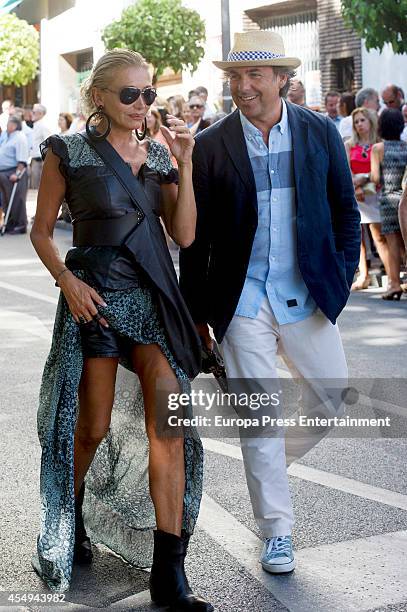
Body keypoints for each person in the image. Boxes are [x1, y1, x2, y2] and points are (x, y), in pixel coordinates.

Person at [30, 49, 213, 611]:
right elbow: (41, 233)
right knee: (93, 425)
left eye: (149, 94)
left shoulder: (159, 156)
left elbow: (181, 236)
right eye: (129, 94)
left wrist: (184, 164)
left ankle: (169, 573)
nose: (142, 105)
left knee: (171, 423)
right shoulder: (69, 152)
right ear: (98, 99)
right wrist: (67, 280)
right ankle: (69, 512)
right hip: (96, 305)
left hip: (153, 303)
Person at [179, 30, 360, 576]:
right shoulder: (212, 144)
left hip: (306, 296)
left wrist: (343, 279)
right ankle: (277, 533)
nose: (242, 86)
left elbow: (346, 213)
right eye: (235, 77)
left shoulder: (319, 131)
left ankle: (266, 462)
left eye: (254, 75)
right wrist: (198, 318)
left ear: (283, 79)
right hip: (241, 305)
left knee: (332, 400)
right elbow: (197, 242)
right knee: (260, 422)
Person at [345, 107, 389, 290]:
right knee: (358, 237)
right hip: (357, 193)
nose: (359, 124)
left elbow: (382, 170)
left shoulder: (379, 143)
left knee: (379, 235)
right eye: (356, 121)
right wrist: (355, 187)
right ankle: (363, 275)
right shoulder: (349, 144)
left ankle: (390, 273)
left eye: (362, 120)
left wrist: (366, 180)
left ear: (371, 121)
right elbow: (346, 169)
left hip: (375, 192)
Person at [370, 108, 407, 299]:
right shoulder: (406, 146)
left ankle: (394, 284)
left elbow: (376, 178)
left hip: (388, 199)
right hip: (405, 199)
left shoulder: (378, 149)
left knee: (392, 242)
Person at [0, 116, 29, 233]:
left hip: (13, 172)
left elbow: (22, 159)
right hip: (3, 172)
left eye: (8, 124)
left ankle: (20, 224)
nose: (6, 126)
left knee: (17, 199)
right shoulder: (7, 136)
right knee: (6, 200)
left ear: (14, 125)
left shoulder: (19, 137)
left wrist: (17, 174)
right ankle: (10, 222)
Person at [30, 103, 51, 189]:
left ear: (41, 114)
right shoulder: (36, 125)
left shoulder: (43, 126)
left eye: (34, 112)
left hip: (40, 161)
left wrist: (45, 161)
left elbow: (49, 143)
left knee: (39, 189)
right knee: (34, 187)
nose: (32, 113)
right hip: (34, 160)